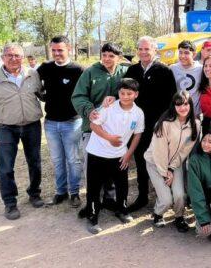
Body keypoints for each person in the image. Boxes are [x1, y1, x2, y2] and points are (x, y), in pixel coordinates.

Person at [0, 43, 44, 220]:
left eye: (17, 55)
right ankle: (10, 203)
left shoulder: (32, 74)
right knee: (6, 167)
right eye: (9, 55)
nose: (14, 58)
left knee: (35, 162)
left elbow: (41, 94)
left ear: (23, 57)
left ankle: (34, 193)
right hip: (5, 128)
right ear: (2, 58)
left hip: (32, 125)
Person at [79, 78, 144, 234]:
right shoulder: (109, 107)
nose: (125, 96)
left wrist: (128, 154)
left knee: (122, 186)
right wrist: (109, 138)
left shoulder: (138, 113)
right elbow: (94, 125)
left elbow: (137, 135)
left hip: (120, 155)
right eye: (122, 93)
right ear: (118, 93)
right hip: (97, 153)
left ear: (136, 94)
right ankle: (92, 216)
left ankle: (121, 210)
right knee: (94, 188)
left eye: (129, 93)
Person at [72, 43, 128, 209]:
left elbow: (130, 93)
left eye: (111, 56)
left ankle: (109, 199)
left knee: (111, 166)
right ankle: (92, 204)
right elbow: (78, 96)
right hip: (92, 129)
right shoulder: (90, 72)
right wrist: (89, 110)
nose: (107, 59)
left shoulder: (124, 72)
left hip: (114, 130)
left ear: (118, 57)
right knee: (92, 169)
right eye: (104, 55)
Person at [124, 36, 177, 211]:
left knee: (160, 161)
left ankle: (164, 198)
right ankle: (142, 196)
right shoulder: (132, 71)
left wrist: (164, 124)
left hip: (158, 127)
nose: (143, 52)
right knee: (140, 161)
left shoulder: (164, 71)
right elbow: (123, 95)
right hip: (138, 128)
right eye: (140, 49)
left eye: (147, 49)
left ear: (155, 50)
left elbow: (171, 102)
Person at [37, 36, 84, 207]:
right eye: (54, 50)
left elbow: (85, 94)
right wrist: (40, 95)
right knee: (57, 160)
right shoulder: (45, 67)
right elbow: (33, 82)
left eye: (60, 50)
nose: (57, 53)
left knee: (73, 159)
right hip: (50, 123)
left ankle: (74, 192)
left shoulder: (78, 70)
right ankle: (60, 192)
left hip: (72, 122)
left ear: (68, 49)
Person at [145, 91, 200, 232]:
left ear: (191, 105)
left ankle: (179, 216)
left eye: (186, 104)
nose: (183, 107)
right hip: (155, 163)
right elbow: (159, 151)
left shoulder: (196, 125)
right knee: (166, 200)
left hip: (175, 164)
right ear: (173, 106)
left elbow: (184, 151)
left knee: (180, 195)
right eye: (179, 104)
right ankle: (157, 214)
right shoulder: (164, 123)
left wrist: (172, 168)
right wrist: (165, 172)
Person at [170, 40, 203, 115]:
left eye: (186, 53)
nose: (182, 56)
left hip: (194, 114)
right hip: (177, 113)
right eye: (180, 52)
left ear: (194, 54)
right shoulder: (172, 68)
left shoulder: (201, 69)